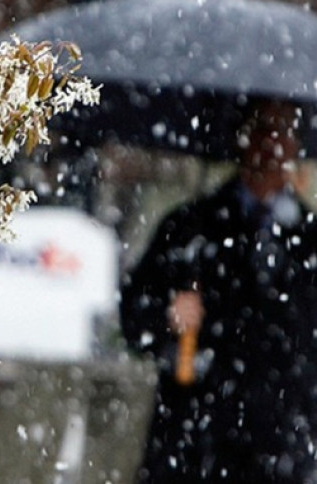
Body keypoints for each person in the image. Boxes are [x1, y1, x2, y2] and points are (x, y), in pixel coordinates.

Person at [120, 99, 317, 483]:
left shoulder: (310, 240)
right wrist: (168, 316)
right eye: (261, 128)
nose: (271, 143)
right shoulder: (189, 228)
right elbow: (133, 320)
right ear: (241, 138)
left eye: (282, 131)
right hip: (192, 441)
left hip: (282, 446)